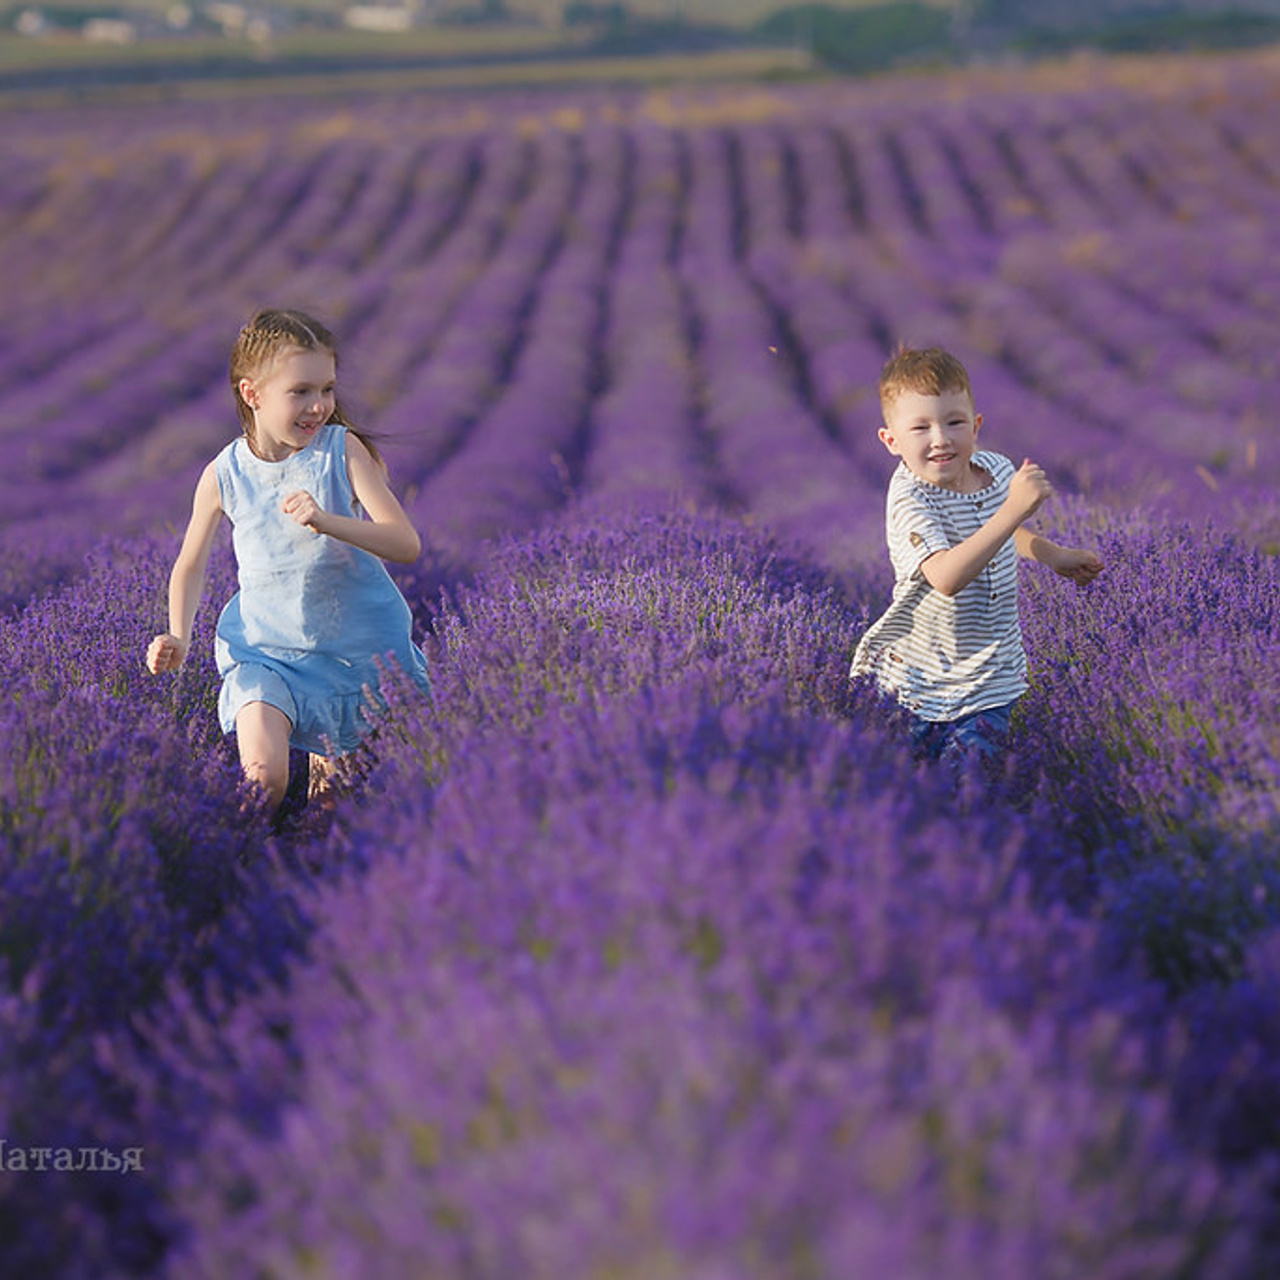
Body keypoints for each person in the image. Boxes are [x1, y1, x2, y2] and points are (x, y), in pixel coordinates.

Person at [146, 307, 432, 814]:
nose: (319, 406)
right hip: (265, 652)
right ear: (251, 394)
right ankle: (229, 869)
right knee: (263, 782)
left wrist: (328, 521)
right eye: (301, 391)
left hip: (352, 655)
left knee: (331, 809)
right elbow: (189, 563)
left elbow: (405, 542)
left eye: (326, 390)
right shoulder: (224, 473)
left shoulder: (342, 453)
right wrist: (178, 635)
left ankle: (300, 875)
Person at [850, 347, 1102, 765]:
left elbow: (1002, 532)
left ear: (976, 425)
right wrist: (1013, 509)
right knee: (901, 783)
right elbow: (946, 577)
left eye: (954, 422)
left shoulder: (997, 470)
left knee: (969, 785)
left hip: (989, 677)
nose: (941, 439)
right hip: (913, 679)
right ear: (890, 440)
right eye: (921, 428)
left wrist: (1050, 554)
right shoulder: (910, 498)